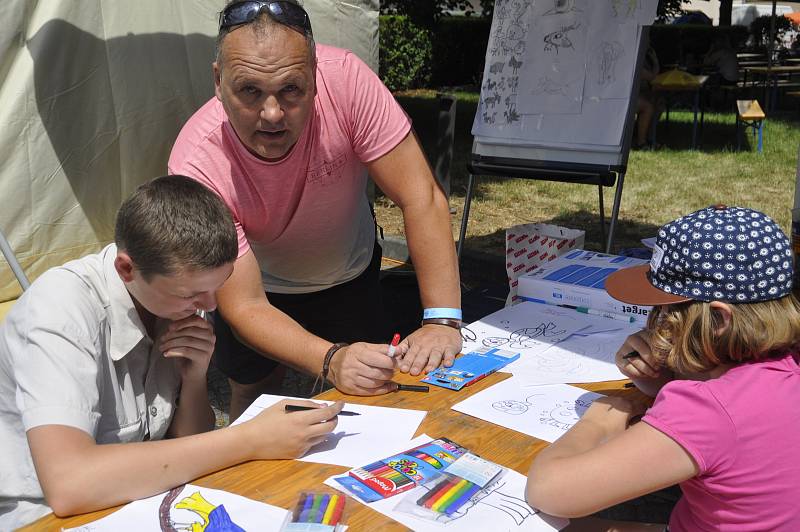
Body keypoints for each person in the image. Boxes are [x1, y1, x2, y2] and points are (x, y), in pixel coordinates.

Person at [168, 0, 462, 418]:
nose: (272, 115)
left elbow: (421, 196)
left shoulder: (348, 80)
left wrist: (442, 321)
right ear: (219, 82)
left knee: (372, 401)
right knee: (256, 402)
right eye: (249, 91)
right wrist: (330, 360)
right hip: (260, 291)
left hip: (349, 274)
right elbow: (246, 305)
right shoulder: (196, 163)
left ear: (316, 76)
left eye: (291, 90)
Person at [0, 175, 343, 528]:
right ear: (127, 269)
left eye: (218, 287)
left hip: (142, 501)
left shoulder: (166, 300)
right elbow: (69, 484)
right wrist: (249, 438)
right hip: (43, 517)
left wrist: (193, 379)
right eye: (190, 294)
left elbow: (190, 443)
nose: (209, 305)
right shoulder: (60, 312)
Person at [526, 205, 800, 530]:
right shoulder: (786, 362)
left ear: (719, 319)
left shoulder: (708, 409)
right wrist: (657, 379)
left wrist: (599, 419)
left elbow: (550, 491)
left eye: (665, 312)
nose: (654, 324)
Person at [634, 46, 661, 150]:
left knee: (658, 103)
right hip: (623, 99)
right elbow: (652, 77)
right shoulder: (636, 59)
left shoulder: (643, 58)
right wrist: (655, 61)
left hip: (640, 93)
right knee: (648, 107)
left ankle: (649, 138)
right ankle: (641, 142)